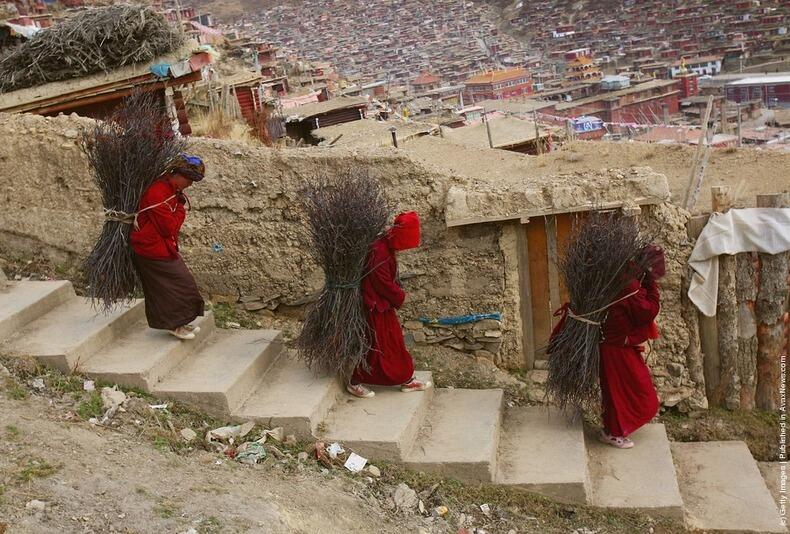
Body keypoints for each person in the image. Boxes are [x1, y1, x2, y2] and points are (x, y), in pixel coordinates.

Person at [347, 211, 433, 398]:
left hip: (382, 306)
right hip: (374, 306)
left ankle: (407, 380)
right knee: (377, 345)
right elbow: (382, 283)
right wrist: (400, 296)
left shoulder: (385, 245)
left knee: (394, 343)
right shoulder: (378, 252)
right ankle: (355, 382)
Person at [129, 154, 205, 340]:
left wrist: (177, 208)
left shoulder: (171, 191)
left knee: (174, 286)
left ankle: (178, 322)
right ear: (176, 174)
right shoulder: (157, 192)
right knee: (177, 285)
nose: (190, 184)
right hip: (150, 248)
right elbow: (168, 228)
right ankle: (173, 325)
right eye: (189, 179)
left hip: (162, 247)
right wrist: (180, 210)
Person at [597, 245, 665, 449]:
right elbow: (647, 311)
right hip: (616, 348)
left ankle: (610, 430)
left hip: (614, 345)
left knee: (615, 390)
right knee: (632, 392)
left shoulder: (624, 277)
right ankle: (616, 433)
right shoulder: (629, 285)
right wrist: (652, 286)